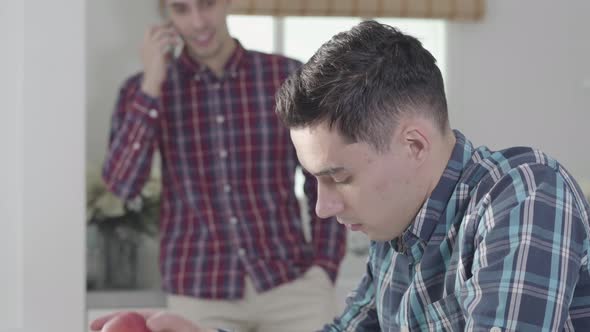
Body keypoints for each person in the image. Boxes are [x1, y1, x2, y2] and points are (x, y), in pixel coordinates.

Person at [93, 19, 590, 332]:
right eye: (314, 179)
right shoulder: (394, 232)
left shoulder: (524, 195)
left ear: (413, 143)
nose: (322, 207)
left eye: (339, 177)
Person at [99, 0, 346, 331]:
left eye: (207, 4)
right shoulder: (142, 91)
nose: (198, 22)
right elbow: (123, 185)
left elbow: (324, 173)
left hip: (293, 285)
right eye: (181, 9)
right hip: (199, 291)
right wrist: (150, 86)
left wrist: (325, 266)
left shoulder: (285, 77)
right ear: (166, 14)